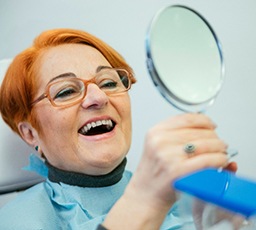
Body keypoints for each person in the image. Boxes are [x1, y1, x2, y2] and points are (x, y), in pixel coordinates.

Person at [0, 28, 237, 229]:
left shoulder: (182, 199)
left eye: (109, 82)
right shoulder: (16, 221)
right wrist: (145, 202)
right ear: (30, 133)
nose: (98, 96)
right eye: (66, 91)